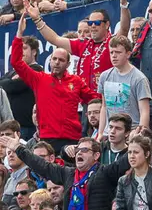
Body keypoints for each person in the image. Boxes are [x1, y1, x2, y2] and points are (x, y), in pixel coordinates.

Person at [0, 134, 129, 210]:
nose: (79, 152)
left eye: (84, 150)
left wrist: (135, 142)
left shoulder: (104, 173)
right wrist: (19, 149)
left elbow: (125, 162)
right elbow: (42, 166)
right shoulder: (68, 174)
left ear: (96, 156)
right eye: (77, 150)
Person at [11, 10, 99, 154]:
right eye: (54, 59)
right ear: (50, 61)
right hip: (47, 139)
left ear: (68, 64)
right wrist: (19, 34)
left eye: (61, 60)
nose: (57, 62)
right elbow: (16, 62)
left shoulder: (76, 82)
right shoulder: (39, 78)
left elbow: (94, 99)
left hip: (72, 139)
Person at [96, 36, 151, 137]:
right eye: (111, 52)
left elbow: (144, 110)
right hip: (109, 133)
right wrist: (100, 133)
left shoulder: (139, 78)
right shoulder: (104, 76)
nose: (114, 56)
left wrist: (140, 134)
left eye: (118, 52)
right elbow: (104, 107)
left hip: (131, 133)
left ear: (128, 54)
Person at [0, 36, 42, 139]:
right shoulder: (11, 72)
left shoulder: (36, 69)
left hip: (26, 127)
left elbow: (14, 86)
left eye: (24, 48)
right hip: (10, 128)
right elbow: (4, 85)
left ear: (34, 52)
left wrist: (11, 82)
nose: (20, 51)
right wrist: (11, 81)